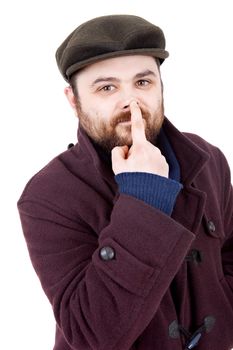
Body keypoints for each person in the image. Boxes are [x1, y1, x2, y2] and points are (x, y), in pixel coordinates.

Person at [17, 14, 233, 350]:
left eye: (143, 83)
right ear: (73, 101)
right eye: (107, 87)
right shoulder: (46, 195)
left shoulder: (209, 159)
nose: (131, 101)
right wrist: (145, 198)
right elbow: (91, 336)